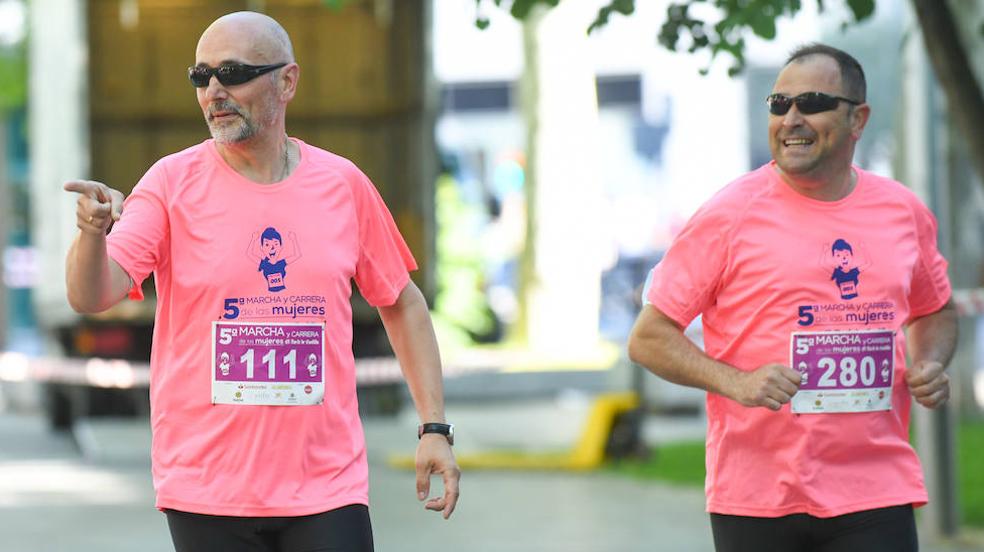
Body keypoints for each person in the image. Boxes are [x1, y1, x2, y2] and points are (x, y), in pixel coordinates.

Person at [63, 11, 459, 552]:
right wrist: (91, 234)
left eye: (233, 72)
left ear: (287, 81)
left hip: (327, 487)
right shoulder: (170, 184)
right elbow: (90, 295)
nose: (214, 91)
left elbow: (401, 302)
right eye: (201, 77)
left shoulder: (343, 185)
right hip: (207, 488)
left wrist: (434, 426)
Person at [628, 43, 956, 552]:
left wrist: (931, 361)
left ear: (858, 119)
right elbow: (648, 338)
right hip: (758, 495)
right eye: (779, 105)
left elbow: (934, 307)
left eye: (813, 102)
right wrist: (735, 382)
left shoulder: (902, 210)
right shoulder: (729, 214)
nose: (792, 118)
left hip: (875, 489)